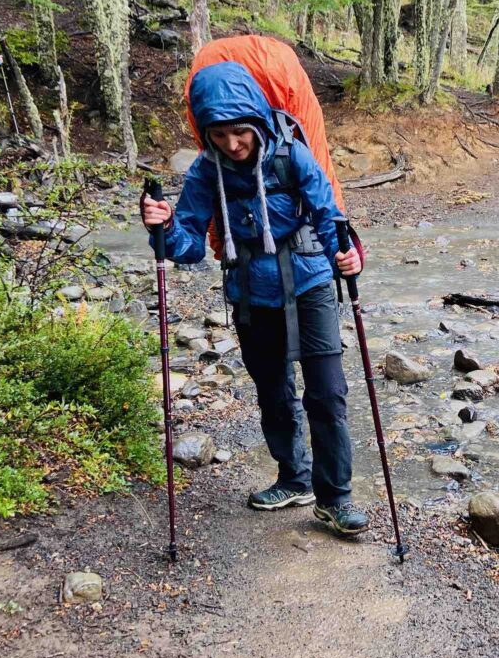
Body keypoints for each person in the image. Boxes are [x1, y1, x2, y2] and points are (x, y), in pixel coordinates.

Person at [141, 60, 370, 537]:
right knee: (273, 393)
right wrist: (163, 226)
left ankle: (336, 499)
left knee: (327, 393)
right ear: (206, 134)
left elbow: (328, 215)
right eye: (219, 134)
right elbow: (188, 246)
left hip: (309, 284)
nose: (232, 144)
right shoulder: (206, 172)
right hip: (250, 293)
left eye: (240, 132)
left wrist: (349, 257)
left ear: (257, 122)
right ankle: (294, 479)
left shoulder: (291, 155)